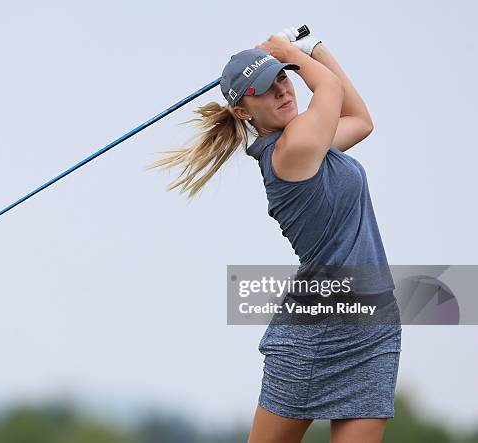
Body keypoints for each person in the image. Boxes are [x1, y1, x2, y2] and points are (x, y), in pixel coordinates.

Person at [147, 27, 402, 443]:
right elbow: (330, 88)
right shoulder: (291, 150)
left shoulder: (312, 143)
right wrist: (291, 53)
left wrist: (311, 46)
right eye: (265, 89)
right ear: (245, 113)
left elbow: (360, 121)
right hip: (319, 326)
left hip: (373, 327)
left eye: (282, 77)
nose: (282, 91)